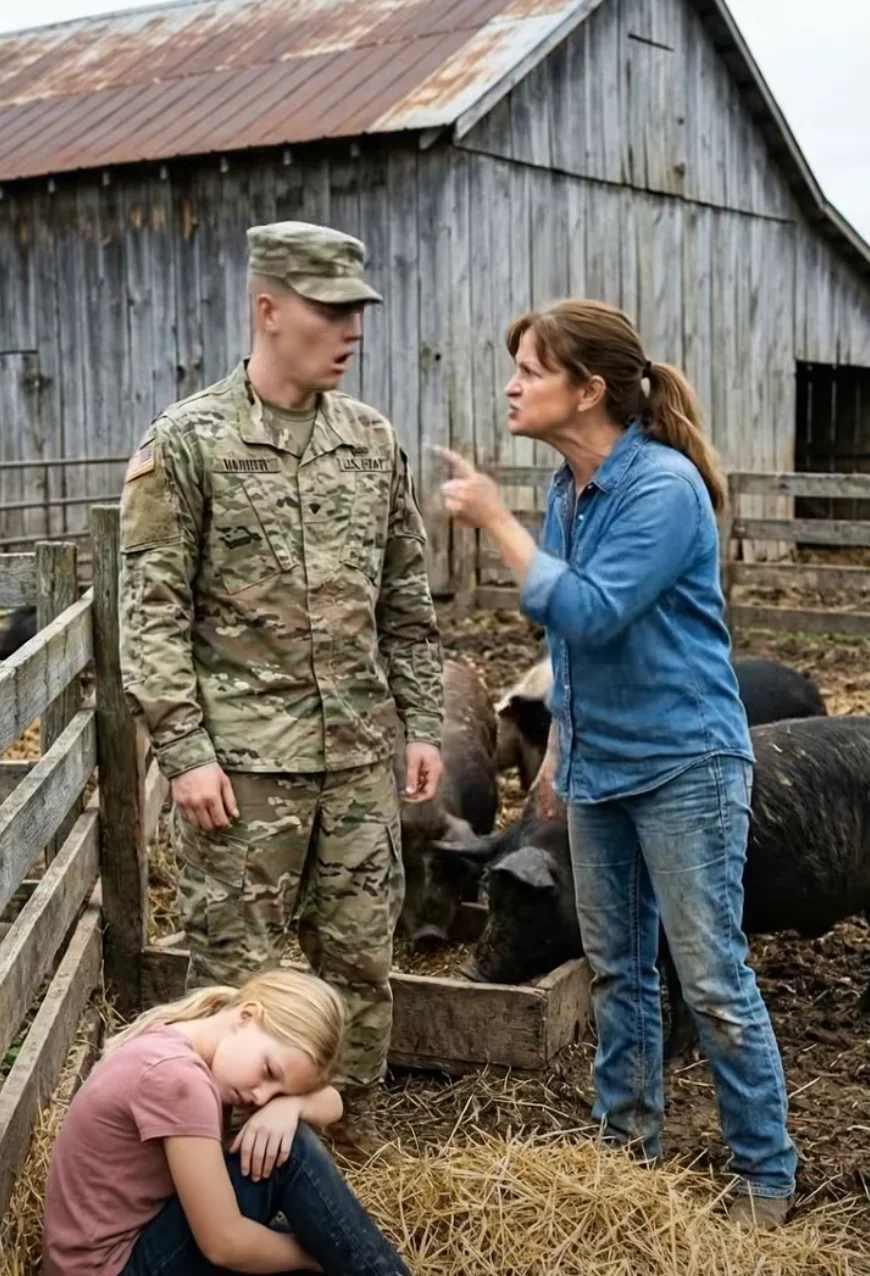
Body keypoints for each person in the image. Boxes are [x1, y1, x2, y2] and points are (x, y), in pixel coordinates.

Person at [438, 299, 798, 1227]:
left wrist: (493, 521)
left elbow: (593, 610)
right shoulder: (570, 490)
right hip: (601, 766)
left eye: (531, 368)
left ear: (590, 389)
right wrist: (562, 741)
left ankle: (766, 1177)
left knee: (710, 974)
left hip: (684, 766)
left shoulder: (663, 488)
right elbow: (561, 629)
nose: (510, 385)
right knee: (616, 967)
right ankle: (626, 1150)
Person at [118, 222, 444, 1144]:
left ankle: (348, 1136)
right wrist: (183, 752)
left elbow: (406, 601)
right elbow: (150, 615)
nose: (353, 330)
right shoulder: (188, 442)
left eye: (358, 311)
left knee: (360, 967)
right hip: (239, 774)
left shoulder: (370, 441)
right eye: (331, 310)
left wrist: (423, 724)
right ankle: (219, 1160)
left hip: (354, 766)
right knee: (232, 978)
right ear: (269, 309)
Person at [43, 968, 412, 1275]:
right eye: (270, 1071)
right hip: (110, 1268)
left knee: (302, 1208)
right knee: (293, 1156)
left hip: (121, 1252)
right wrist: (314, 1257)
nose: (261, 1096)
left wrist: (290, 1107)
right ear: (247, 1017)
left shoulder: (182, 1041)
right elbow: (223, 1244)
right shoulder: (179, 1080)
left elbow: (332, 1102)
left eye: (277, 1090)